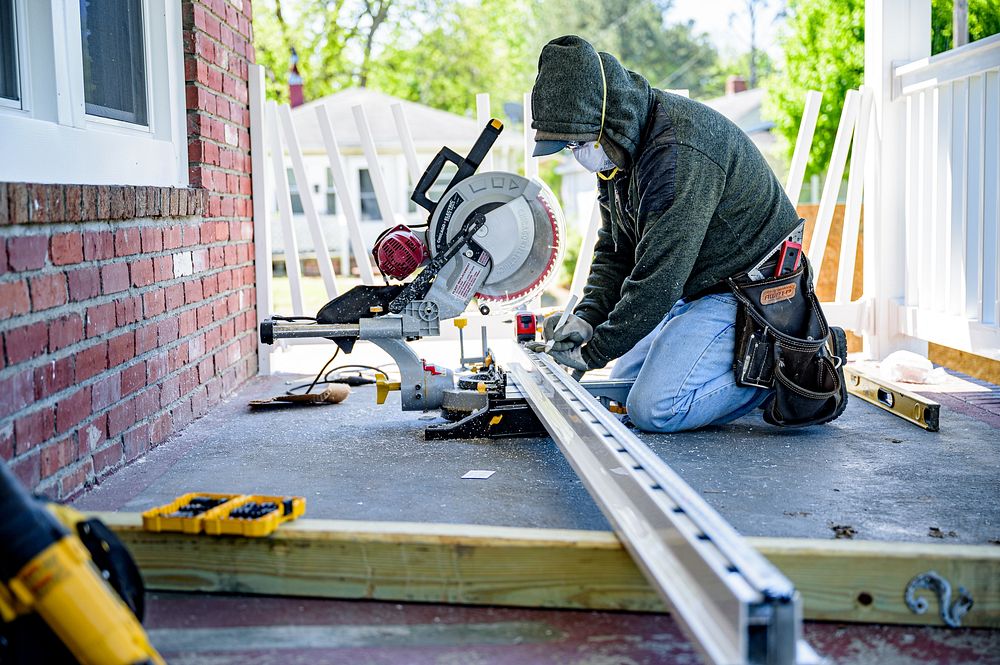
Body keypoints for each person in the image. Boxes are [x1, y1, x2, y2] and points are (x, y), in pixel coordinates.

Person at [529, 35, 845, 433]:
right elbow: (615, 250)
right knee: (620, 389)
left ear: (607, 117)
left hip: (751, 295)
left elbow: (660, 277)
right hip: (702, 289)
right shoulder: (621, 151)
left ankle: (787, 368)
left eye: (578, 141)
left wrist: (595, 351)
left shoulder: (678, 153)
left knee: (653, 408)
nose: (577, 153)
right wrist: (590, 319)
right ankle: (739, 367)